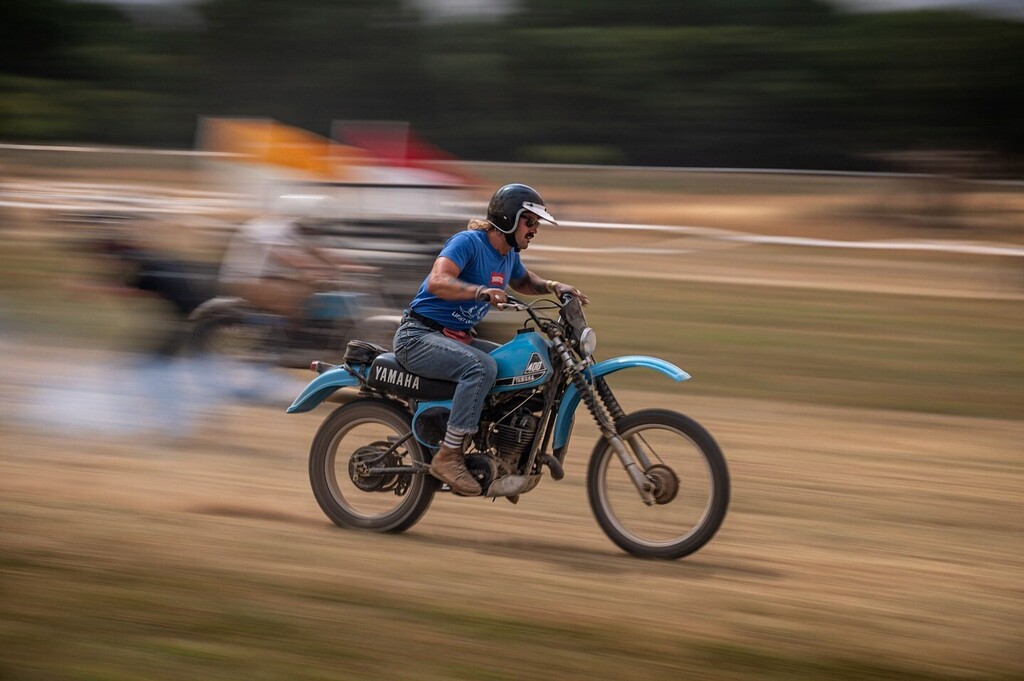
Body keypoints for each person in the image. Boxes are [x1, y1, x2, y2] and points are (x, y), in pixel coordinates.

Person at [392, 183, 588, 495]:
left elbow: (524, 281)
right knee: (480, 368)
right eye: (529, 221)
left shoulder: (507, 255)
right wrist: (480, 291)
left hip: (456, 339)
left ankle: (505, 455)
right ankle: (448, 455)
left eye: (536, 223)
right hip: (418, 336)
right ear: (509, 218)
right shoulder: (469, 242)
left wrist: (553, 286)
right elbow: (437, 281)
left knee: (515, 370)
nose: (535, 229)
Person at [218, 211, 371, 325]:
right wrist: (321, 270)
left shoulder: (300, 231)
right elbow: (286, 256)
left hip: (272, 278)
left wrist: (362, 268)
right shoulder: (271, 229)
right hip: (246, 280)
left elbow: (322, 252)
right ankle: (289, 340)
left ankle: (325, 331)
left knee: (318, 288)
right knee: (296, 296)